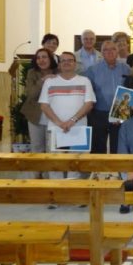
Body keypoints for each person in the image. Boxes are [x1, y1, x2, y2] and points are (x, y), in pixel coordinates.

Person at [38, 52, 95, 189]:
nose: (67, 63)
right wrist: (59, 123)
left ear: (75, 64)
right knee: (56, 164)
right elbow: (44, 105)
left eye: (70, 60)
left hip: (78, 129)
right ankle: (56, 194)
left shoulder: (84, 81)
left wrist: (72, 121)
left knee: (76, 164)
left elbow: (89, 104)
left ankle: (74, 194)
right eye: (63, 60)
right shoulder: (50, 82)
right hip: (55, 129)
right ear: (59, 65)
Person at [86, 41, 131, 154]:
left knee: (118, 147)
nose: (110, 52)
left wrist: (120, 115)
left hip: (120, 113)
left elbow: (129, 90)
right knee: (97, 148)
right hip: (98, 113)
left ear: (117, 51)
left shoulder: (126, 68)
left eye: (113, 49)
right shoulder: (92, 70)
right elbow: (88, 92)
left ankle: (117, 166)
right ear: (101, 53)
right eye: (106, 50)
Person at [20, 48, 57, 159]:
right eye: (38, 58)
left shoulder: (58, 72)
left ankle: (51, 170)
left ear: (50, 59)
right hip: (35, 115)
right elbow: (31, 94)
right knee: (37, 148)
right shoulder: (31, 73)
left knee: (52, 148)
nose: (41, 60)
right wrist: (43, 80)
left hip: (55, 115)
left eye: (44, 57)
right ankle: (37, 170)